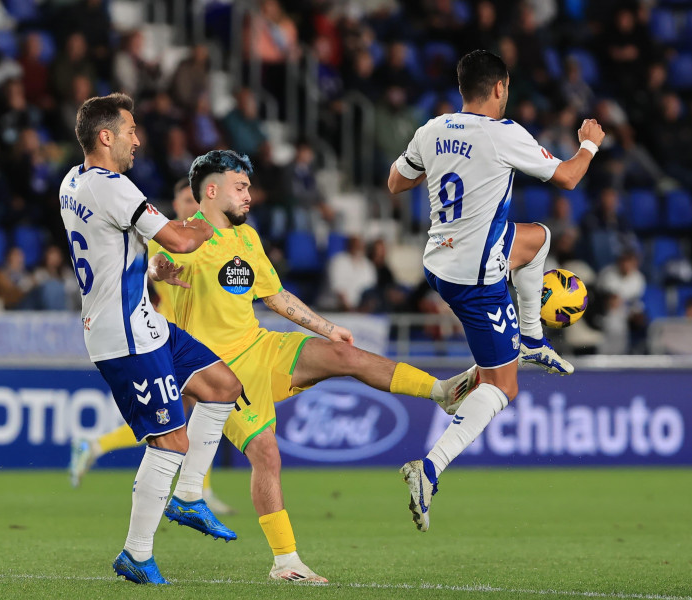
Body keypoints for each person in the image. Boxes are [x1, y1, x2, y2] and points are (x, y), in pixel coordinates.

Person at [146, 149, 477, 582]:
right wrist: (158, 270)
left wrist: (327, 327)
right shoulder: (182, 236)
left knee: (344, 354)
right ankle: (286, 563)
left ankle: (441, 393)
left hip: (262, 347)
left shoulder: (248, 239)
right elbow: (156, 264)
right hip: (219, 373)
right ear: (211, 191)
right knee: (266, 453)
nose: (250, 195)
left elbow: (276, 297)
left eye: (249, 187)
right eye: (240, 187)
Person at [387, 49, 605, 532]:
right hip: (476, 276)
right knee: (502, 385)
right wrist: (588, 144)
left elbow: (395, 182)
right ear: (501, 87)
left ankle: (530, 337)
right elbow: (568, 176)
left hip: (441, 260)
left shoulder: (433, 128)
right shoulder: (505, 134)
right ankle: (429, 469)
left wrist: (446, 166)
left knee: (538, 238)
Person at [60, 93, 244, 585]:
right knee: (170, 441)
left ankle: (187, 499)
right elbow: (183, 240)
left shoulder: (72, 182)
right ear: (106, 137)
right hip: (126, 337)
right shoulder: (113, 187)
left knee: (224, 385)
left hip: (145, 320)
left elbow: (109, 250)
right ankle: (136, 555)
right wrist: (213, 212)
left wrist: (149, 267)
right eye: (130, 130)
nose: (138, 139)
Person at [69, 178, 237, 515]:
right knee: (179, 419)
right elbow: (149, 273)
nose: (193, 206)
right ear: (175, 206)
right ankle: (194, 490)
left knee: (184, 415)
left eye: (196, 200)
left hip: (182, 339)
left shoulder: (208, 245)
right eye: (186, 201)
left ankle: (99, 447)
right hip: (159, 339)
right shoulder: (167, 242)